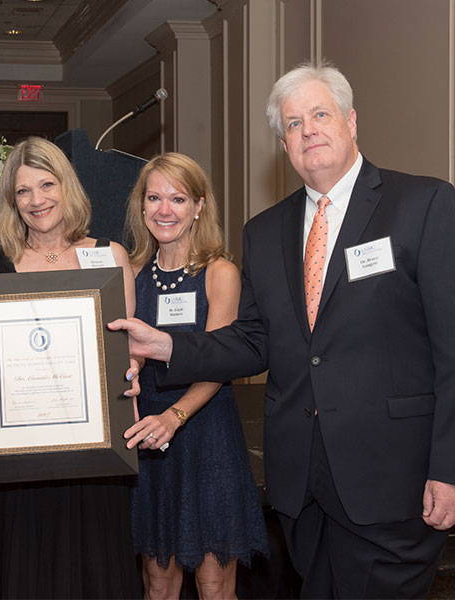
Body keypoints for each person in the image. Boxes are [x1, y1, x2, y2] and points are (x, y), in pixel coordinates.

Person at [109, 60, 455, 598]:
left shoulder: (424, 205)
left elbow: (451, 348)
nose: (308, 129)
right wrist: (167, 345)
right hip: (302, 488)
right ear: (284, 143)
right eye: (293, 123)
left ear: (352, 121)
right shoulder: (266, 231)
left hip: (394, 479)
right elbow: (253, 340)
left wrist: (449, 467)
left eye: (320, 114)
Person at [0, 136, 140, 598]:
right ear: (11, 199)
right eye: (23, 191)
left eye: (46, 184)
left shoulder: (109, 255)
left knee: (88, 572)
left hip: (91, 450)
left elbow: (128, 347)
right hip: (12, 457)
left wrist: (130, 372)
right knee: (17, 573)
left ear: (67, 186)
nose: (36, 200)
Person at [122, 152, 269, 598]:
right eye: (154, 198)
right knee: (158, 582)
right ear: (141, 205)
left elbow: (219, 361)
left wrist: (174, 418)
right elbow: (125, 354)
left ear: (199, 206)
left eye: (178, 199)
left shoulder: (219, 273)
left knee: (213, 584)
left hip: (205, 436)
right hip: (147, 436)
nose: (165, 209)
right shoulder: (128, 273)